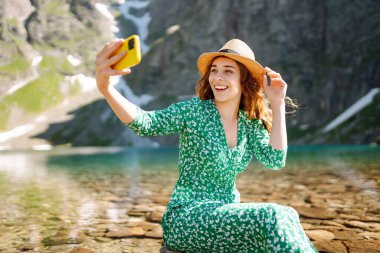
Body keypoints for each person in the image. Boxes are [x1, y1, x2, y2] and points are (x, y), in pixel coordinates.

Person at [95, 38, 318, 252]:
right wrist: (106, 88)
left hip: (226, 217)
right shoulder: (193, 111)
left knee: (288, 214)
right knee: (273, 216)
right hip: (187, 217)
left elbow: (275, 160)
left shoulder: (249, 122)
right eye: (214, 70)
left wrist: (277, 103)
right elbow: (146, 123)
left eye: (228, 71)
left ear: (244, 80)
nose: (217, 78)